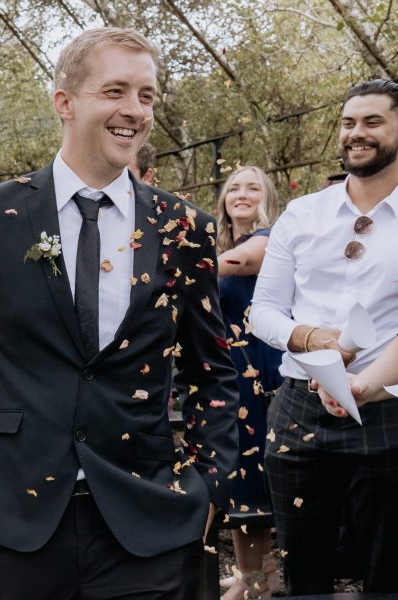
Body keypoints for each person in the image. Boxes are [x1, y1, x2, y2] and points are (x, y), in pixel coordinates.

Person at [0, 27, 239, 599]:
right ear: (64, 102)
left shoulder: (185, 229)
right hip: (14, 522)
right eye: (115, 91)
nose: (135, 111)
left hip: (148, 523)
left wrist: (208, 486)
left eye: (146, 96)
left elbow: (212, 370)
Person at [250, 78, 398, 595]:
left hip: (389, 410)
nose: (356, 133)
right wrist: (312, 338)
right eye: (348, 123)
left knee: (388, 573)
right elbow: (262, 312)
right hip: (299, 412)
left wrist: (364, 384)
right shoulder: (303, 213)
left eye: (372, 122)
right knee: (304, 575)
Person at [214, 167, 283, 599]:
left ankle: (258, 576)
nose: (242, 194)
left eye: (252, 187)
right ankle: (253, 573)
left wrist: (178, 262)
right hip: (227, 370)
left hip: (259, 368)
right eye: (233, 188)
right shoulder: (220, 246)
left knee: (255, 470)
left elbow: (243, 263)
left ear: (266, 198)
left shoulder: (269, 238)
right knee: (238, 473)